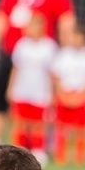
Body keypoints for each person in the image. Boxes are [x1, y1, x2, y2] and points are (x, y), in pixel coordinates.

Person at [0, 0, 76, 148]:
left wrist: (66, 50)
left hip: (42, 61)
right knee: (1, 97)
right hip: (13, 56)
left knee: (44, 103)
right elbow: (0, 17)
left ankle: (45, 143)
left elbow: (66, 20)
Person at [50, 20, 85, 167]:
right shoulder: (63, 55)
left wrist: (83, 96)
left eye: (79, 36)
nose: (76, 39)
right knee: (61, 128)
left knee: (82, 130)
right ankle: (61, 156)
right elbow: (56, 76)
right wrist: (61, 94)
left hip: (82, 97)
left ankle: (80, 157)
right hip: (64, 95)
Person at [7, 12, 58, 161]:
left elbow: (52, 73)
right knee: (21, 122)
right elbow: (16, 68)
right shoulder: (22, 45)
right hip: (22, 90)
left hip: (40, 92)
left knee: (38, 124)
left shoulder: (49, 47)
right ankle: (19, 149)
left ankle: (38, 149)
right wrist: (10, 88)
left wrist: (52, 93)